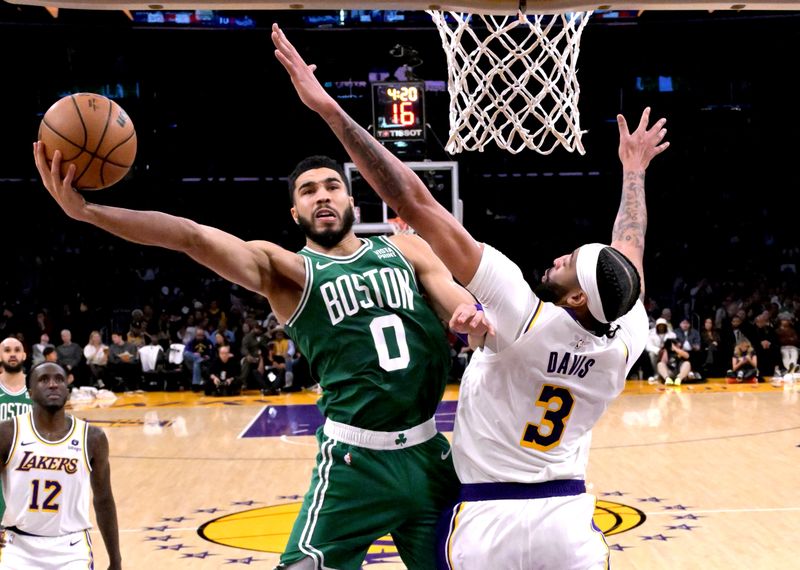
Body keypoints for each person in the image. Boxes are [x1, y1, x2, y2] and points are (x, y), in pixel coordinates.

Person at [270, 23, 668, 568]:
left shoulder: (522, 316)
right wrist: (634, 172)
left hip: (486, 520)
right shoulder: (625, 338)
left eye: (569, 262)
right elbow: (629, 251)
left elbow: (414, 203)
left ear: (577, 299)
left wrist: (330, 111)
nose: (559, 257)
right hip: (567, 524)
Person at [34, 92, 480, 570]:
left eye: (332, 186)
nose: (322, 195)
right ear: (295, 213)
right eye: (308, 191)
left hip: (429, 454)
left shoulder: (407, 249)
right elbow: (189, 236)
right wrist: (89, 213)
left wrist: (471, 318)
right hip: (356, 462)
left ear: (351, 199)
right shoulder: (287, 272)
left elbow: (460, 304)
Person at [0, 361, 121, 569]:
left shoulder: (92, 438)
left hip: (72, 547)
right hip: (17, 545)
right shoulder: (8, 433)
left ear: (67, 390)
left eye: (59, 379)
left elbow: (104, 500)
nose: (53, 384)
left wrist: (116, 560)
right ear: (30, 392)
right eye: (44, 379)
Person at [0, 337, 34, 523]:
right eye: (7, 350)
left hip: (30, 466)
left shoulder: (37, 387)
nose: (12, 354)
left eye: (17, 350)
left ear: (24, 355)